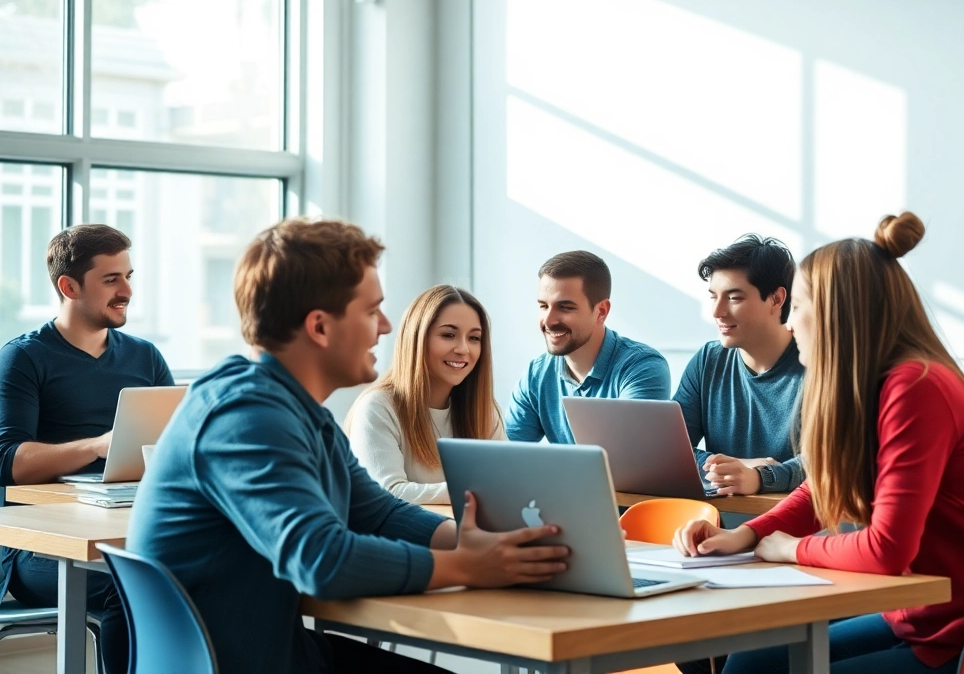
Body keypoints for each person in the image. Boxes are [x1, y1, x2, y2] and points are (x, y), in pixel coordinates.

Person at [128, 218, 569, 674]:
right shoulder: (246, 418)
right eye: (371, 310)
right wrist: (466, 567)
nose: (385, 325)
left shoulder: (295, 410)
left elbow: (377, 512)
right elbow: (322, 558)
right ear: (319, 327)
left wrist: (493, 543)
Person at [673, 212, 964, 673]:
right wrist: (749, 534)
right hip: (930, 616)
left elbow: (885, 549)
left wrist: (788, 547)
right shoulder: (881, 386)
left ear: (835, 314)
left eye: (797, 307)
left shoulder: (916, 388)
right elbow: (822, 485)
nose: (791, 324)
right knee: (751, 665)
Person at [0, 224, 174, 674]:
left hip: (130, 530)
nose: (127, 290)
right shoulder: (24, 358)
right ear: (69, 286)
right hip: (43, 554)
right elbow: (7, 463)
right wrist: (97, 445)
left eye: (129, 275)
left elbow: (175, 446)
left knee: (212, 572)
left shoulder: (145, 357)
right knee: (131, 585)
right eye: (112, 279)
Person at [347, 285, 506, 504]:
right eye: (448, 335)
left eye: (474, 338)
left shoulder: (483, 410)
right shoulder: (378, 407)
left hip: (464, 533)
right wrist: (472, 491)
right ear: (417, 338)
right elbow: (386, 494)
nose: (463, 349)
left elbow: (506, 483)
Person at [674, 235, 806, 496]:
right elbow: (668, 449)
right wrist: (737, 467)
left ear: (777, 299)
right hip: (720, 521)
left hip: (800, 528)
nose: (717, 311)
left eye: (734, 298)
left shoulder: (817, 364)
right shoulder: (707, 361)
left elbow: (827, 461)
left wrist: (760, 477)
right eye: (713, 296)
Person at [506, 250, 671, 443]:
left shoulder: (642, 368)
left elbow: (628, 458)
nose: (548, 321)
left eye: (565, 307)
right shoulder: (536, 374)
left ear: (601, 312)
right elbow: (509, 454)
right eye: (543, 306)